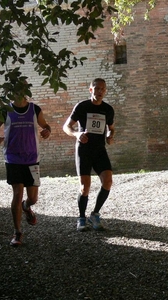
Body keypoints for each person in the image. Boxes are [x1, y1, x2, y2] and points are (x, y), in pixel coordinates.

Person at [0, 87, 51, 247]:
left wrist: (47, 131)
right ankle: (17, 233)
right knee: (17, 193)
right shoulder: (6, 110)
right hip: (13, 158)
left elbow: (46, 126)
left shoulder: (35, 109)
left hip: (32, 159)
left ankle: (26, 207)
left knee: (33, 198)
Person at [63, 78, 115, 232]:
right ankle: (81, 218)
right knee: (84, 187)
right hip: (84, 150)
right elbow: (66, 126)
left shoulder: (108, 109)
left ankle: (95, 214)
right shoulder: (82, 106)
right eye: (97, 88)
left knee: (108, 181)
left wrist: (109, 136)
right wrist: (77, 134)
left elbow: (111, 128)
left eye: (102, 89)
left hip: (99, 150)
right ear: (91, 89)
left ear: (105, 91)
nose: (100, 92)